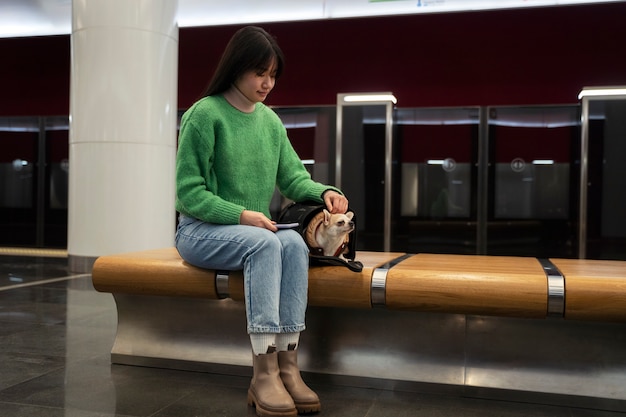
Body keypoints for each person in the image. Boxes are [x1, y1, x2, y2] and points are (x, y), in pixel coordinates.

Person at [174, 26, 349, 417]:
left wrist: (324, 193)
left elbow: (293, 178)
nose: (268, 83)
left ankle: (289, 367)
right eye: (260, 73)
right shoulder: (204, 115)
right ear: (236, 68)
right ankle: (263, 372)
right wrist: (239, 214)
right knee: (268, 242)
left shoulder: (269, 122)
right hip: (200, 230)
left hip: (254, 232)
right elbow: (188, 193)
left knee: (291, 242)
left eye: (273, 75)